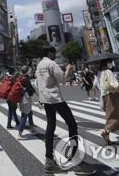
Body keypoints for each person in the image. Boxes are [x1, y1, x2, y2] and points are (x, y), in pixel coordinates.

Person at [36, 46, 95, 175]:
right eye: (54, 52)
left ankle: (49, 160)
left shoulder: (40, 64)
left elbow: (37, 83)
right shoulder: (51, 64)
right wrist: (68, 69)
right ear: (49, 52)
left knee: (50, 126)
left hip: (45, 98)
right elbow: (63, 79)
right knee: (72, 124)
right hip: (55, 98)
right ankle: (75, 159)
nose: (55, 54)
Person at [94, 59, 119, 146]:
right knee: (114, 116)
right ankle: (106, 131)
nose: (111, 64)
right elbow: (115, 85)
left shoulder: (99, 73)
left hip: (105, 97)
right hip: (112, 96)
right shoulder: (108, 72)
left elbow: (96, 86)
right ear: (106, 63)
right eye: (110, 62)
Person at [17, 66, 36, 138]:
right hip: (26, 99)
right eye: (29, 70)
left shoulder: (21, 77)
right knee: (24, 115)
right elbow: (31, 88)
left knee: (30, 113)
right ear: (27, 71)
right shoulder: (26, 79)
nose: (30, 72)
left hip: (22, 98)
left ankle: (32, 128)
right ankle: (20, 133)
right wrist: (39, 95)